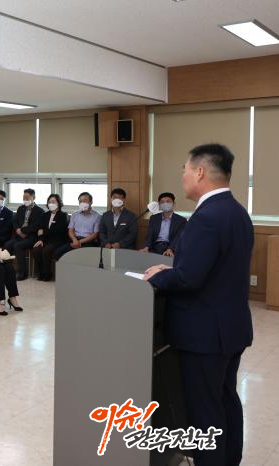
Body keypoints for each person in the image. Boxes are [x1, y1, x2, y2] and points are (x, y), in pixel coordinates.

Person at [144, 144, 253, 466]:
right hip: (230, 328)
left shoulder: (206, 217)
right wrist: (172, 270)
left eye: (185, 170)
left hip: (204, 335)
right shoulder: (236, 211)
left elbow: (189, 279)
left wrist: (159, 276)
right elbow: (213, 269)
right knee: (225, 399)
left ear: (200, 172)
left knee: (205, 411)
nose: (183, 177)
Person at [4, 188, 45, 280]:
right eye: (24, 198)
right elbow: (15, 221)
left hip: (31, 237)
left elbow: (36, 226)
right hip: (19, 235)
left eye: (27, 198)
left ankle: (22, 273)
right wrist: (18, 230)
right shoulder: (21, 208)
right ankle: (7, 269)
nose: (25, 200)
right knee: (8, 244)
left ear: (33, 197)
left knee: (18, 246)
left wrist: (23, 231)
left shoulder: (40, 211)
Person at [31, 194, 70, 281]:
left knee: (46, 250)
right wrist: (40, 240)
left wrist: (45, 232)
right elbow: (40, 229)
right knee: (36, 249)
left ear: (58, 203)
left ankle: (47, 274)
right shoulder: (45, 215)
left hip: (58, 240)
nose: (51, 204)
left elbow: (59, 231)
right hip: (45, 240)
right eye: (49, 202)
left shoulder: (63, 215)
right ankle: (40, 273)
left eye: (53, 202)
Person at [53, 192, 101, 260]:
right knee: (57, 253)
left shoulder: (97, 216)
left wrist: (79, 242)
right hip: (74, 239)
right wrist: (74, 240)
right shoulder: (75, 214)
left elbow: (95, 234)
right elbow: (70, 230)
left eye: (84, 201)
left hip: (88, 242)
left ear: (91, 202)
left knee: (79, 256)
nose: (82, 203)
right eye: (80, 201)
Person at [141, 192, 187, 256]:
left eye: (168, 201)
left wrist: (170, 249)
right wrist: (146, 247)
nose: (165, 204)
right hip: (155, 247)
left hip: (171, 248)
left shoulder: (181, 220)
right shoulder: (154, 218)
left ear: (174, 204)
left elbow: (178, 237)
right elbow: (150, 235)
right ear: (159, 205)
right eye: (162, 202)